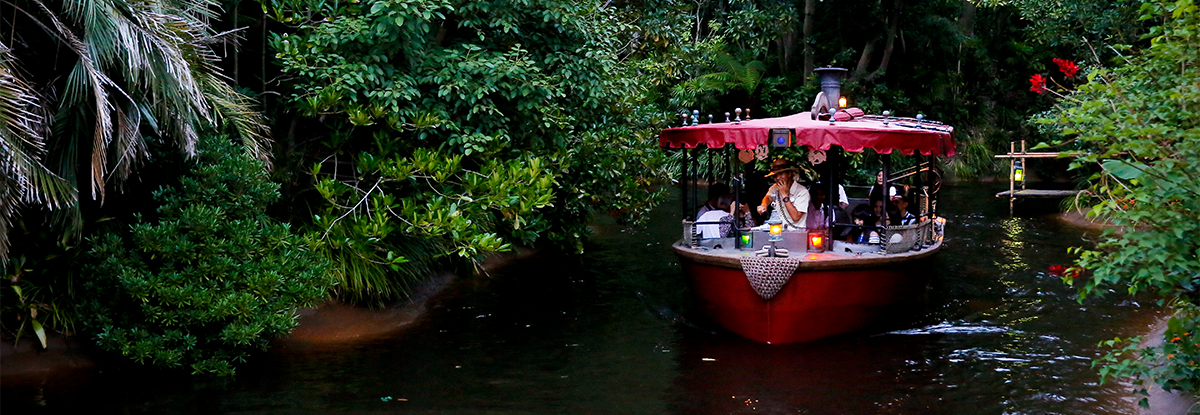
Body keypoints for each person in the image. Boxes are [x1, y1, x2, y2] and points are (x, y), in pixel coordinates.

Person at [756, 159, 809, 230]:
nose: (778, 178)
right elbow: (768, 197)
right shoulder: (774, 188)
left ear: (789, 174)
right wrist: (764, 205)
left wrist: (784, 195)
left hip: (796, 232)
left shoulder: (802, 191)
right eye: (775, 176)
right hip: (778, 231)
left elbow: (796, 217)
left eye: (781, 174)